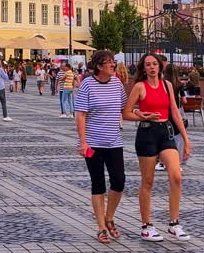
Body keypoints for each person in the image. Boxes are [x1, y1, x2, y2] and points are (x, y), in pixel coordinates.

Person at [122, 53, 191, 241]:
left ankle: (174, 223)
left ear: (160, 67)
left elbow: (175, 113)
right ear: (143, 69)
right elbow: (126, 113)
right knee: (148, 180)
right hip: (147, 134)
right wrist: (142, 116)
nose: (152, 67)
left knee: (176, 175)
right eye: (148, 65)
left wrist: (185, 139)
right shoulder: (139, 87)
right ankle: (146, 226)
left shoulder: (167, 85)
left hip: (166, 132)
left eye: (154, 64)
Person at [76, 50, 127, 244]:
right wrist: (83, 142)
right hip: (93, 143)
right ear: (99, 66)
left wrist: (142, 115)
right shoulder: (87, 84)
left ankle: (109, 217)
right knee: (98, 183)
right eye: (109, 63)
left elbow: (125, 108)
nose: (113, 65)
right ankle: (101, 227)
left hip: (114, 141)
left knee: (119, 181)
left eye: (113, 62)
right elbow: (80, 115)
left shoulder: (117, 83)